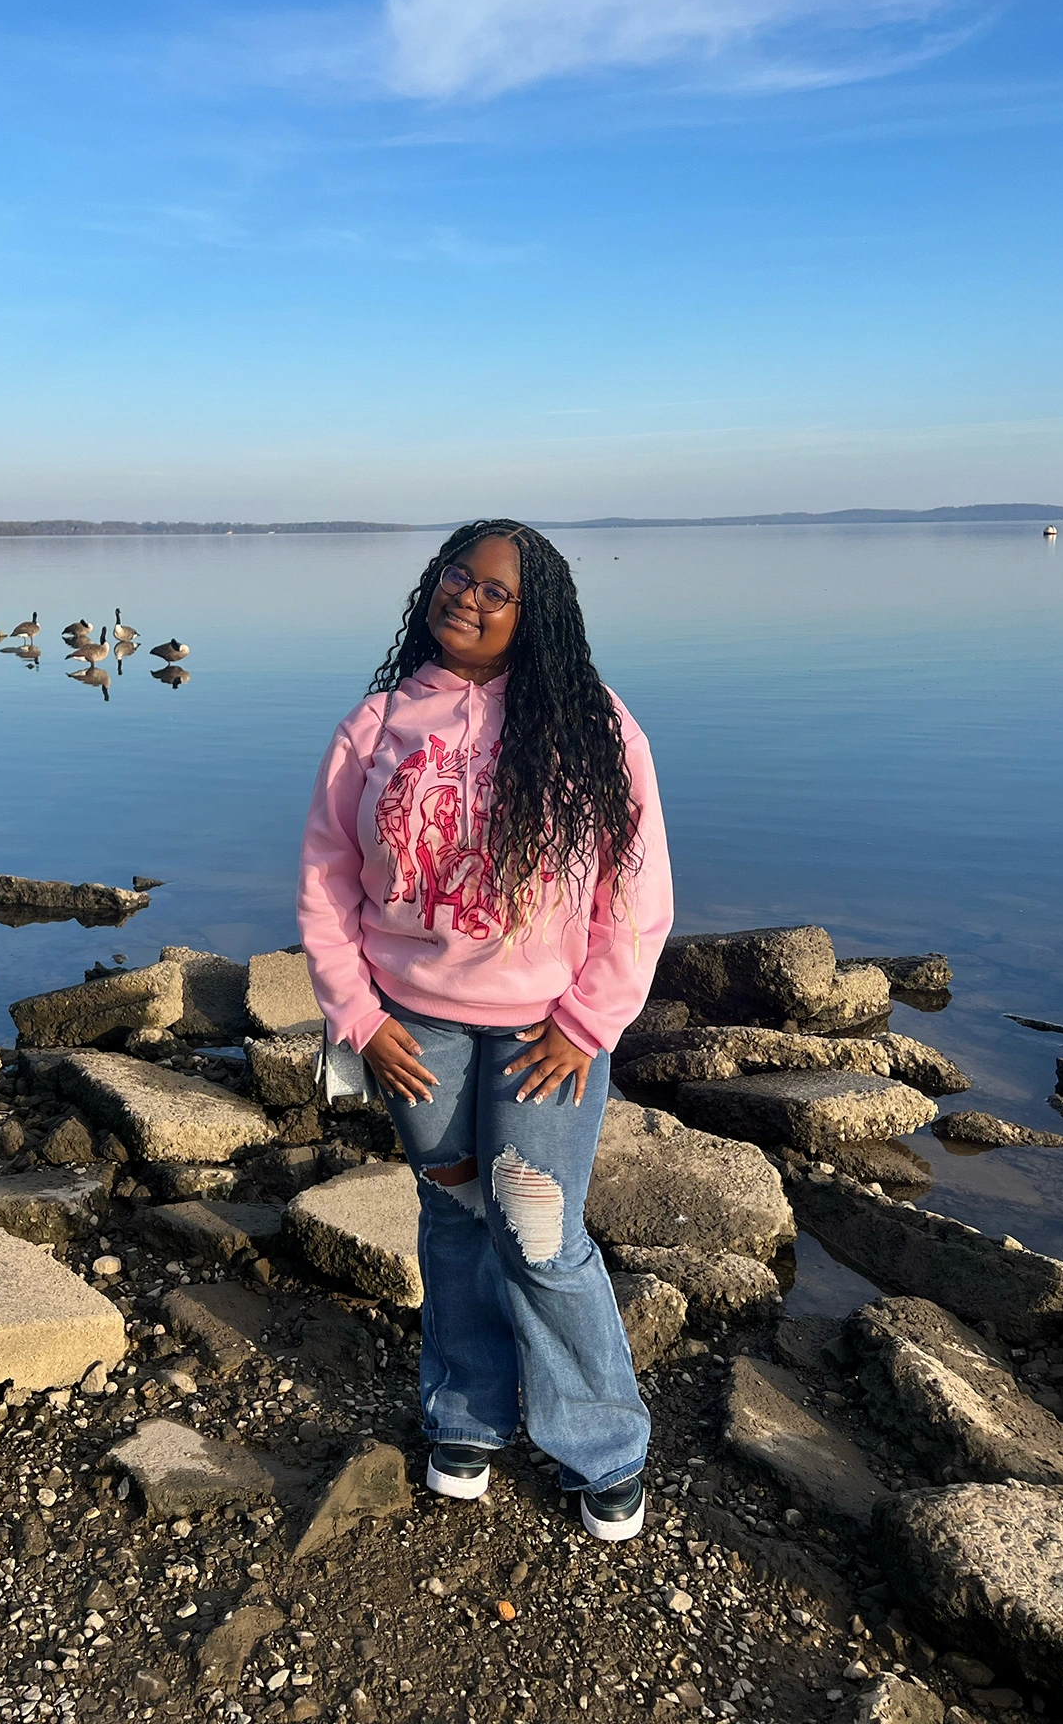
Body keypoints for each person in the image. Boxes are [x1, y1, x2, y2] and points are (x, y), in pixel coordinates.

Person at [297, 519, 673, 1542]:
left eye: (496, 588)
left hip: (545, 1032)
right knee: (453, 1218)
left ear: (533, 610)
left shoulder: (594, 723)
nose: (468, 595)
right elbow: (328, 878)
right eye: (457, 574)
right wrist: (357, 1016)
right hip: (411, 1030)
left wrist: (589, 1020)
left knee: (540, 1234)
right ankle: (466, 1412)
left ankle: (602, 1440)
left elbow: (633, 895)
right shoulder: (377, 724)